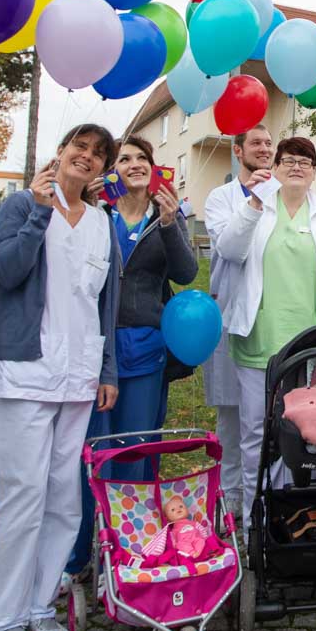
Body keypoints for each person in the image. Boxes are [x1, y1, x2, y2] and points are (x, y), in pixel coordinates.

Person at [0, 124, 122, 631]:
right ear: (60, 153)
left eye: (96, 154)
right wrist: (41, 213)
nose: (85, 158)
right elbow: (5, 273)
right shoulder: (20, 206)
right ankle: (6, 618)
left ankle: (40, 606)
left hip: (79, 379)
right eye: (78, 148)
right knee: (22, 500)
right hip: (23, 376)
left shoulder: (101, 223)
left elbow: (104, 303)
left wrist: (106, 370)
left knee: (64, 500)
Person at [64, 135, 198, 582]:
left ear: (153, 168)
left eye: (142, 158)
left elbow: (186, 272)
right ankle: (83, 552)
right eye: (125, 159)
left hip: (144, 347)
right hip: (93, 347)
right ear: (113, 170)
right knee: (91, 451)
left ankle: (132, 550)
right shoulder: (98, 215)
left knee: (135, 450)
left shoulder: (166, 214)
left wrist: (168, 223)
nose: (135, 164)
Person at [214, 135, 316, 526]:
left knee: (308, 433)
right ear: (275, 168)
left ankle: (299, 517)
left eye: (306, 161)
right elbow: (229, 250)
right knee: (257, 436)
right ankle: (255, 523)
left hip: (311, 347)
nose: (297, 166)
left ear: (314, 172)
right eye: (289, 160)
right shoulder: (258, 208)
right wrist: (254, 203)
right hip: (259, 340)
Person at [201, 126, 276, 522]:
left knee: (269, 415)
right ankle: (230, 500)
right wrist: (253, 200)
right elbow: (232, 249)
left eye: (269, 144)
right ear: (237, 150)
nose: (264, 150)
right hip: (230, 316)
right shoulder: (221, 197)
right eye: (257, 144)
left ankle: (271, 495)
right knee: (232, 416)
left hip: (272, 319)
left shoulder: (283, 194)